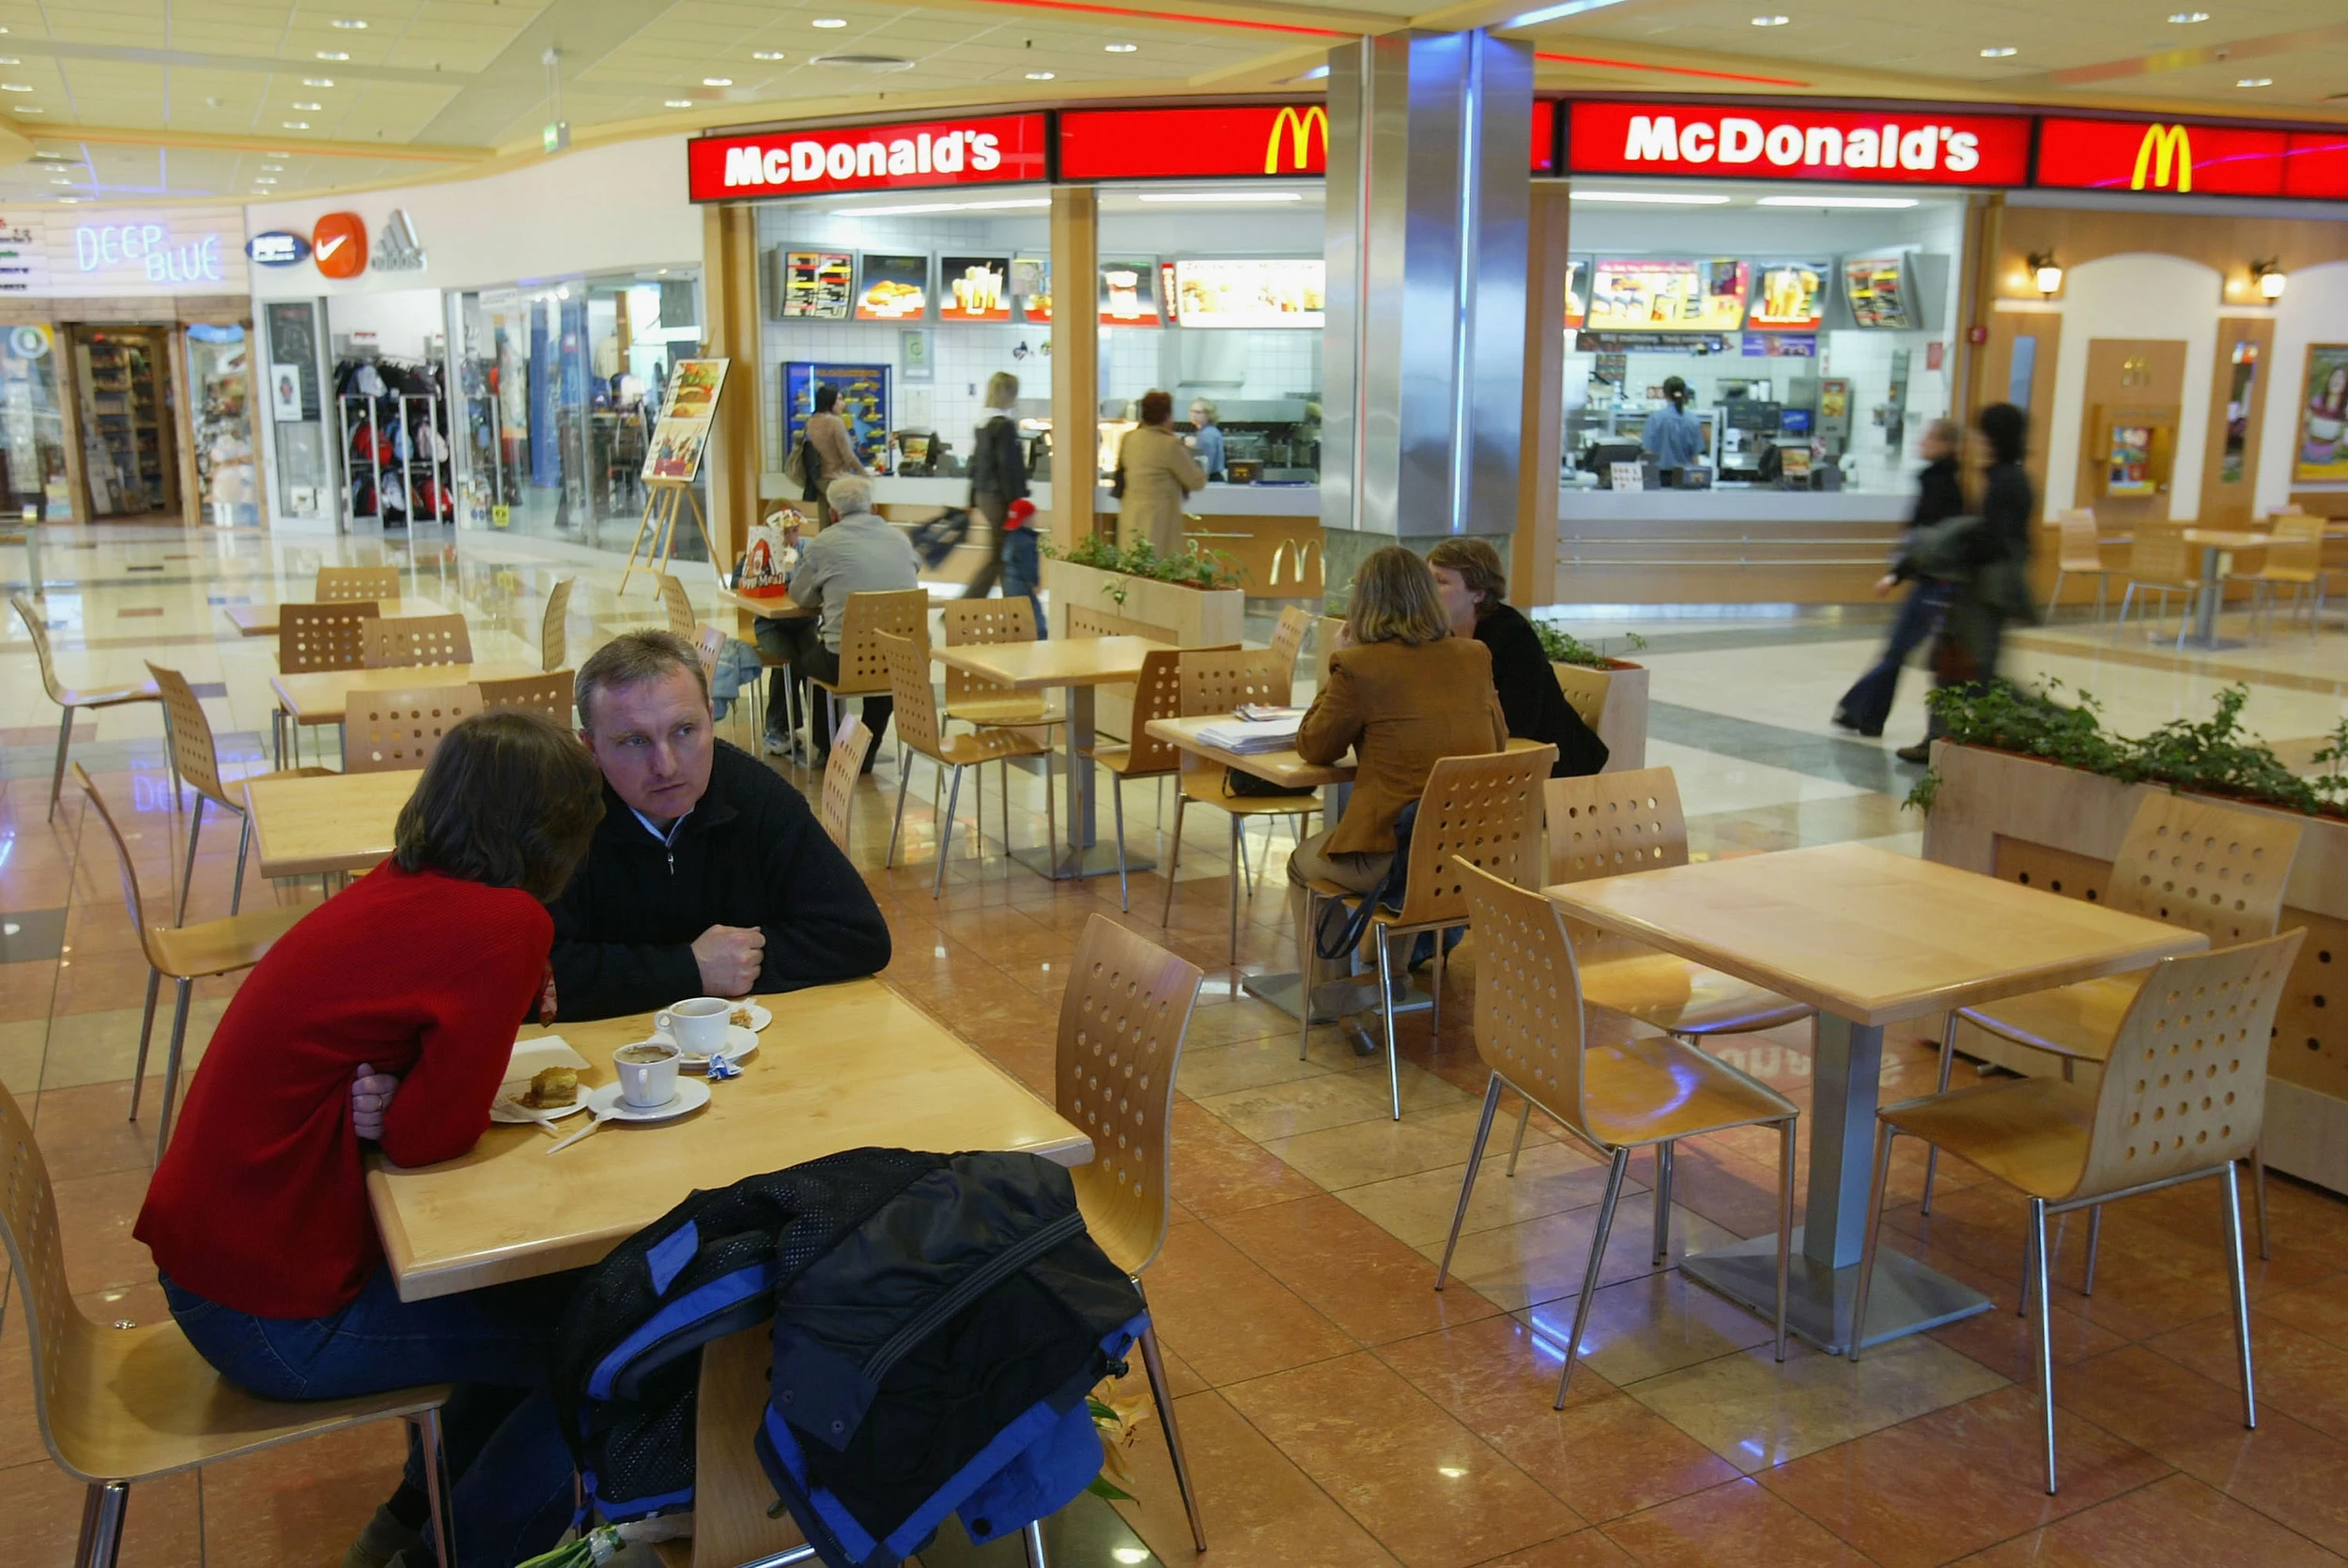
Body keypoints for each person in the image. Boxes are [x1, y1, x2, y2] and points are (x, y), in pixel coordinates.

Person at [134, 710, 608, 1568]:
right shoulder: (504, 922)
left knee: (545, 1306)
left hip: (212, 1264)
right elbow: (431, 1139)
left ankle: (410, 1525)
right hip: (271, 1314)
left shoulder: (397, 879)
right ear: (556, 835)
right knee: (606, 1349)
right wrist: (411, 1103)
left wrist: (400, 1096)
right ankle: (454, 1554)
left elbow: (408, 1093)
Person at [554, 628, 892, 1021]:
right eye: (634, 741)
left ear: (711, 719)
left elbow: (860, 936)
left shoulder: (758, 799)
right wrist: (689, 970)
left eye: (685, 731)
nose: (666, 766)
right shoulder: (558, 821)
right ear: (590, 747)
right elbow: (521, 978)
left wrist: (733, 965)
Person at [1290, 546, 1506, 1031]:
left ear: (1363, 602)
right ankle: (1390, 975)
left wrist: (1336, 662)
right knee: (1416, 835)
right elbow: (1499, 740)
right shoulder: (1474, 655)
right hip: (1472, 858)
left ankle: (1332, 999)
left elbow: (1315, 747)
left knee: (1306, 862)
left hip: (1398, 863)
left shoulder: (1359, 666)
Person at [1896, 403, 2036, 765]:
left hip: (1985, 593)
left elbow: (1995, 539)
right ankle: (1940, 737)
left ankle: (2048, 725)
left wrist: (1952, 546)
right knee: (1957, 668)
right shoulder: (2005, 477)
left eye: (1982, 432)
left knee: (1974, 673)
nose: (1976, 439)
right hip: (1982, 590)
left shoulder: (2008, 481)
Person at [756, 473, 921, 762]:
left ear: (833, 513)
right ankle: (867, 750)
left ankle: (827, 747)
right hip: (900, 659)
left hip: (844, 660)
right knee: (881, 671)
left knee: (806, 663)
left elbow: (802, 596)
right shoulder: (901, 540)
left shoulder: (823, 543)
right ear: (875, 509)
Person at [1427, 536, 1608, 779]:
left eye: (1440, 582)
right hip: (1492, 760)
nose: (1428, 591)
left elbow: (1519, 722)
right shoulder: (1438, 632)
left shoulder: (1513, 636)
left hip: (1550, 765)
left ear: (1478, 593)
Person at [1832, 418, 1967, 739]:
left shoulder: (1939, 484)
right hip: (1933, 579)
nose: (1922, 443)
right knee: (1897, 649)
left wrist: (1896, 574)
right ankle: (1862, 713)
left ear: (1945, 445)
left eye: (1929, 439)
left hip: (1934, 581)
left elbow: (1926, 539)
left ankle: (1861, 711)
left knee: (1897, 649)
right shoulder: (1941, 481)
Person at [1116, 389, 1206, 557]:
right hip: (1158, 521)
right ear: (1167, 416)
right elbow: (1196, 481)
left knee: (1131, 569)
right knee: (1156, 573)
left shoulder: (1129, 439)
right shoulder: (1170, 445)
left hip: (1130, 516)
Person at [965, 371, 1028, 605]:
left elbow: (975, 465)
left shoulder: (983, 424)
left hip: (985, 495)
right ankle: (964, 607)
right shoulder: (1004, 426)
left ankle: (1012, 608)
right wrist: (1018, 503)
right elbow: (1008, 468)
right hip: (999, 497)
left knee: (1002, 555)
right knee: (999, 556)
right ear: (1009, 394)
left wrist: (971, 499)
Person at [803, 383, 869, 527]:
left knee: (825, 525)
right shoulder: (835, 422)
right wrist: (864, 474)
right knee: (842, 526)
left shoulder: (811, 421)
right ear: (830, 401)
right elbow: (848, 455)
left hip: (819, 480)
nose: (843, 404)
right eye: (839, 399)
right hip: (837, 480)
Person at [1642, 376, 1706, 484]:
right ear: (1684, 393)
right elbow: (1695, 456)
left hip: (1659, 477)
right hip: (1685, 478)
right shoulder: (1693, 420)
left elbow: (1648, 453)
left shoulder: (1655, 418)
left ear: (1664, 394)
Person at [1186, 397, 1227, 481]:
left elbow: (1205, 466)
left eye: (1198, 412)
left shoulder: (1208, 434)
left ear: (1209, 415)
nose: (1193, 414)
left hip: (1210, 479)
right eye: (1191, 411)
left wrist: (1195, 445)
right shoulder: (1206, 431)